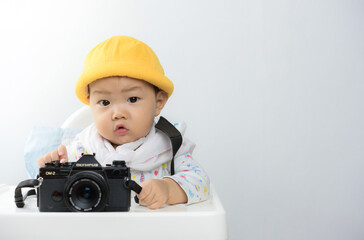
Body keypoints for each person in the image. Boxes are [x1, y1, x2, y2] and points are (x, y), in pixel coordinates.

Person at [37, 36, 210, 209]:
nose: (118, 113)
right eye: (105, 103)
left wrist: (168, 188)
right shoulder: (81, 150)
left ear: (158, 102)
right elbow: (58, 199)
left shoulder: (171, 147)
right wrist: (55, 171)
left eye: (132, 99)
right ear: (90, 104)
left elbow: (200, 182)